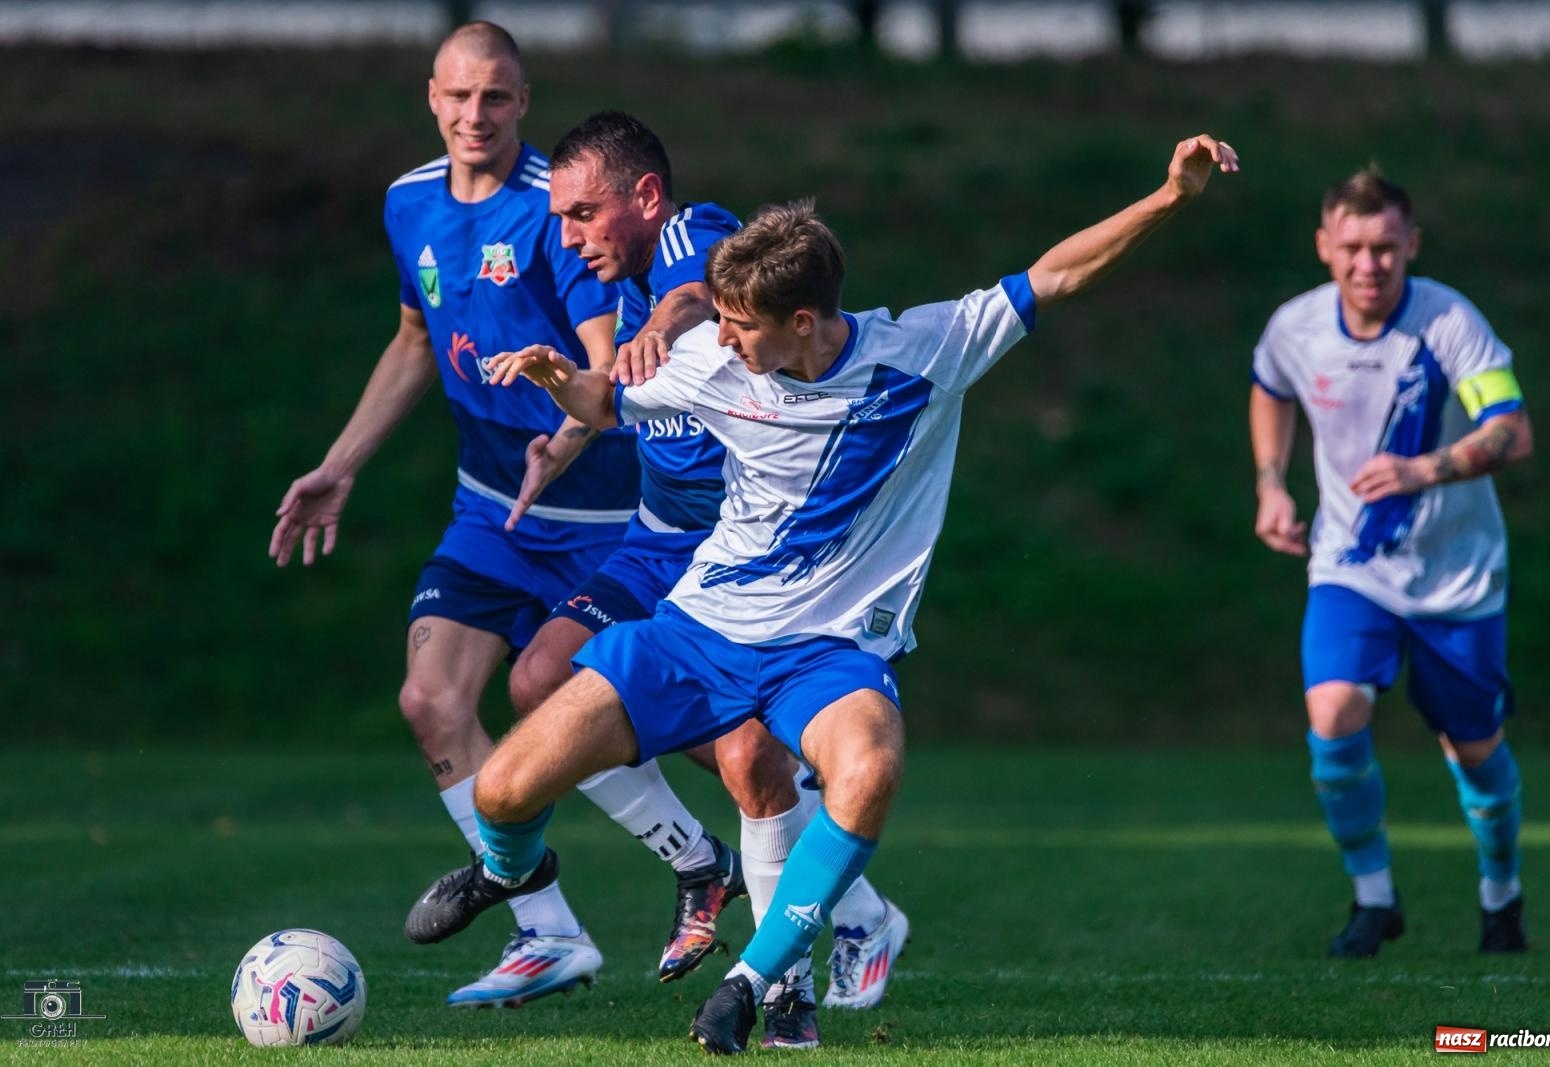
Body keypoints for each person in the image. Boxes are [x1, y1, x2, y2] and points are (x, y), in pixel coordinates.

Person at [405, 134, 1238, 1052]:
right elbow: (608, 406)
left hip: (831, 648)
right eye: (716, 319)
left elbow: (1057, 275)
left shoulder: (922, 351)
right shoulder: (718, 363)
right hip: (700, 628)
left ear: (803, 320)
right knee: (507, 791)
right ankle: (513, 874)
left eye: (737, 323)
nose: (718, 338)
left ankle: (758, 983)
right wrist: (560, 377)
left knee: (865, 767)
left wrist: (1170, 196)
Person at [268, 22, 735, 1009]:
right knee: (432, 699)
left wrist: (567, 429)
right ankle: (547, 931)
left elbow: (612, 364)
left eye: (496, 98)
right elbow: (412, 334)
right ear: (429, 96)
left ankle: (818, 880)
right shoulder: (408, 204)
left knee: (695, 725)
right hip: (490, 508)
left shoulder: (555, 212)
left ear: (524, 103)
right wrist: (341, 463)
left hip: (608, 514)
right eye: (457, 96)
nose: (474, 115)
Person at [498, 110, 907, 1047]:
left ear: (644, 197)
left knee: (749, 758)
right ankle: (701, 866)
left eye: (583, 213)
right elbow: (624, 396)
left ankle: (825, 939)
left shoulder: (695, 238)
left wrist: (668, 321)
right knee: (540, 679)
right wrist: (564, 437)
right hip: (659, 541)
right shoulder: (623, 277)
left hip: (730, 555)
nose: (570, 236)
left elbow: (696, 299)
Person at [1249, 167, 1533, 958]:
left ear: (1411, 244)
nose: (1368, 264)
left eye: (1384, 247)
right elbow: (1268, 385)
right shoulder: (1295, 327)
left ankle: (1501, 892)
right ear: (1323, 248)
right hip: (1351, 564)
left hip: (1457, 574)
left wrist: (1422, 468)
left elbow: (1513, 429)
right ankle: (1375, 896)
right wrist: (1272, 483)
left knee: (1475, 748)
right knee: (1333, 717)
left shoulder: (1451, 323)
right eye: (1352, 248)